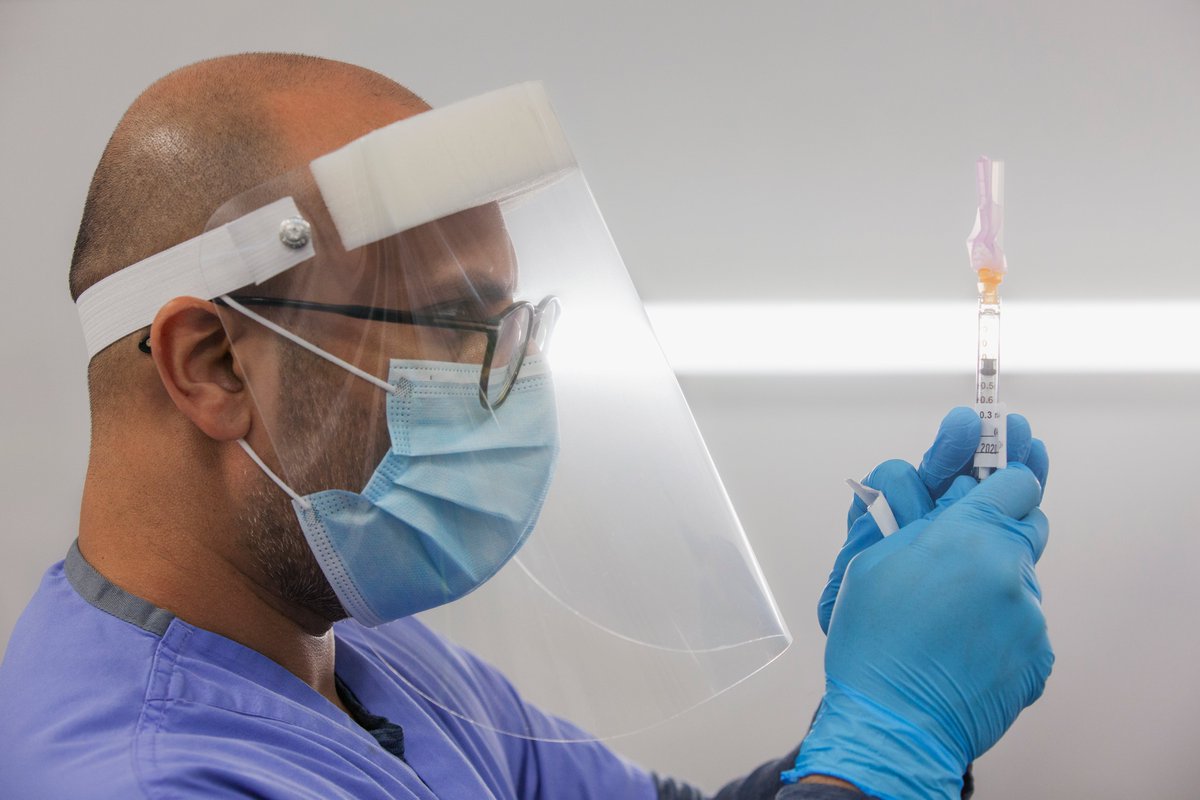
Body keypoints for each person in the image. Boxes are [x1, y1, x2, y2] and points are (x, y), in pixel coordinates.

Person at [0, 53, 1051, 800]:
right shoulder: (137, 777)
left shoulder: (367, 657)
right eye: (457, 322)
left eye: (514, 322)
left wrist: (869, 725)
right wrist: (888, 747)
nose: (512, 378)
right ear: (213, 363)